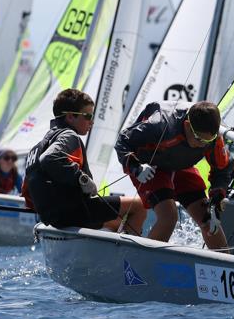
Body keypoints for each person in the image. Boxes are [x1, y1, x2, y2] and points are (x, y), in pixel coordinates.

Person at [22, 88, 146, 234]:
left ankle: (102, 250)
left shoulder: (39, 146)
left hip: (52, 218)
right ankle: (127, 255)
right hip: (72, 213)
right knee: (139, 206)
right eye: (87, 116)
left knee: (116, 222)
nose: (91, 122)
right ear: (70, 117)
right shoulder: (69, 135)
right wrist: (82, 179)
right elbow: (49, 158)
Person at [114, 100, 232, 250]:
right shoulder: (159, 124)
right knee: (169, 217)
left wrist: (215, 203)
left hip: (181, 165)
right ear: (188, 125)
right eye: (199, 139)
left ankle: (225, 267)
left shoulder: (213, 139)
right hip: (150, 168)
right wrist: (136, 167)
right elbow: (123, 141)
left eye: (208, 140)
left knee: (208, 218)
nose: (203, 145)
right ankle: (141, 263)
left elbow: (221, 170)